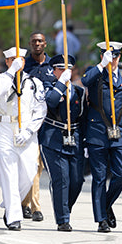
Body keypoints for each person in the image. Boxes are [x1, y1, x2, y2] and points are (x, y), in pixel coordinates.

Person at [81, 41, 122, 232]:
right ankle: (101, 220)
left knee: (121, 175)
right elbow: (84, 81)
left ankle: (104, 206)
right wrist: (101, 66)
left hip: (120, 131)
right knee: (99, 177)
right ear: (102, 56)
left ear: (119, 57)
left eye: (115, 57)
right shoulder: (95, 73)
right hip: (97, 131)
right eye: (108, 56)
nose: (112, 60)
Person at [0, 47, 46, 231]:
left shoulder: (34, 82)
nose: (17, 62)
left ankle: (9, 201)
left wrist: (29, 131)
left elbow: (40, 109)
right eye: (12, 59)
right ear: (7, 61)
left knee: (29, 176)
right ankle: (13, 216)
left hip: (27, 132)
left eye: (20, 59)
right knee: (9, 175)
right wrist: (11, 71)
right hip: (5, 129)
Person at [39, 54, 87, 232]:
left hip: (73, 139)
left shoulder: (79, 91)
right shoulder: (47, 87)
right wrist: (61, 84)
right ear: (54, 71)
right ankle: (63, 219)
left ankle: (65, 207)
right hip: (53, 138)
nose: (65, 71)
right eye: (61, 69)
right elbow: (51, 101)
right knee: (61, 179)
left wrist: (85, 142)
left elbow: (83, 117)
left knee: (77, 180)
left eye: (68, 69)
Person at [21, 31, 53, 222]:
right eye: (34, 41)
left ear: (45, 44)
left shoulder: (53, 65)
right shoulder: (24, 66)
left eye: (40, 41)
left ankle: (28, 203)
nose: (37, 44)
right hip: (28, 122)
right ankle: (32, 206)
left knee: (38, 166)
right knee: (29, 163)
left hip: (48, 122)